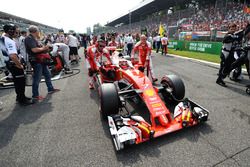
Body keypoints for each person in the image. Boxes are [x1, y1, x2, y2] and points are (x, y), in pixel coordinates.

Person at [24, 25, 60, 100]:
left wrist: (47, 49)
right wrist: (44, 48)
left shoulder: (34, 38)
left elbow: (40, 48)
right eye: (38, 31)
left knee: (48, 74)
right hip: (36, 61)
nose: (39, 33)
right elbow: (34, 50)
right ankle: (35, 95)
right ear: (35, 31)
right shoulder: (29, 38)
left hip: (41, 60)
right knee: (37, 78)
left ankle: (50, 89)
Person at [2, 24, 34, 105]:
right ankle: (22, 99)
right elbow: (13, 55)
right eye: (16, 31)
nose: (17, 33)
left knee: (17, 81)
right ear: (11, 31)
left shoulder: (3, 38)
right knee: (20, 82)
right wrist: (19, 65)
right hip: (14, 64)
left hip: (9, 64)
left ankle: (20, 97)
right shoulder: (9, 41)